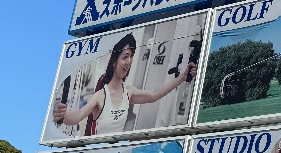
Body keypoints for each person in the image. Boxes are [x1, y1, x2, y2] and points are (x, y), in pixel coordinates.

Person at [54, 33, 197, 137]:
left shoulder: (129, 92)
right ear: (114, 61)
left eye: (131, 56)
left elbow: (154, 95)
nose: (129, 62)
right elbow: (78, 115)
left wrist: (183, 77)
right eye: (125, 57)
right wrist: (63, 116)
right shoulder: (100, 96)